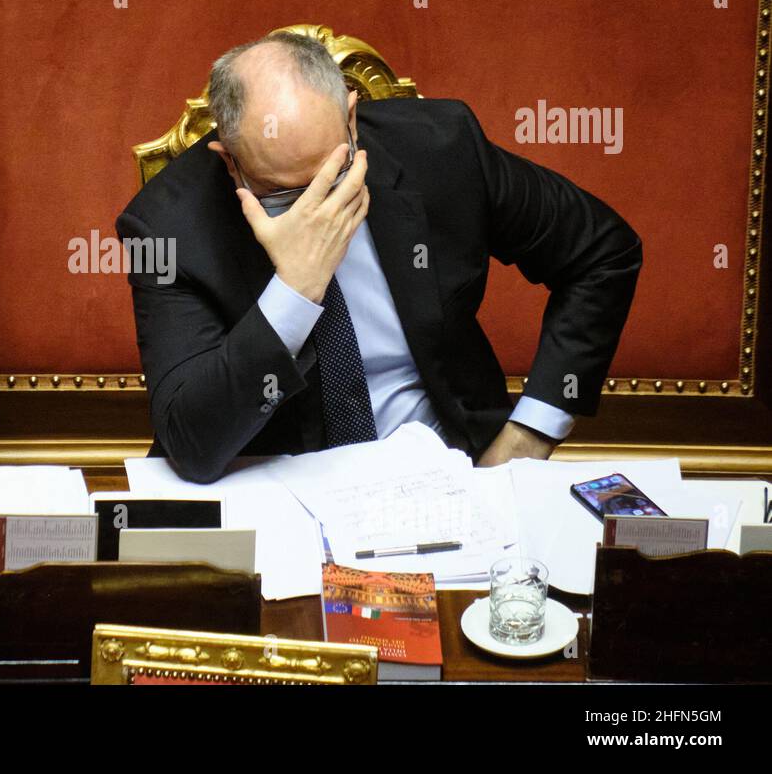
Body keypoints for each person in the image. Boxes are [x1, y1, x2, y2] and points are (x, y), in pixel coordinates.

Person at [116, 32, 642, 483]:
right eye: (284, 194)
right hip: (278, 484)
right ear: (228, 159)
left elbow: (602, 251)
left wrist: (530, 434)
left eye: (336, 176)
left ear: (351, 115)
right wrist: (294, 291)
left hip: (447, 470)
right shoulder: (167, 228)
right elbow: (191, 442)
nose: (319, 211)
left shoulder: (441, 148)